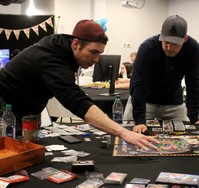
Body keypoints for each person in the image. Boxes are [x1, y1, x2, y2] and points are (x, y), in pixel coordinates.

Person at [0, 19, 158, 151]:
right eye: (93, 52)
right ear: (75, 44)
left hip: (29, 111)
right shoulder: (51, 59)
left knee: (29, 155)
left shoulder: (63, 49)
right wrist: (123, 132)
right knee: (10, 159)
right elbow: (76, 101)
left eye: (99, 54)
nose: (96, 60)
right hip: (6, 111)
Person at [126, 15, 199, 134]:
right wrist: (139, 120)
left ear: (185, 39)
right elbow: (139, 83)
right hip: (145, 101)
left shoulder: (193, 49)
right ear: (161, 36)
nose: (169, 48)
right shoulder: (147, 47)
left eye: (175, 44)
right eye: (166, 42)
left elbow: (193, 83)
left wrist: (194, 116)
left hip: (173, 103)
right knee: (131, 134)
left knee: (185, 137)